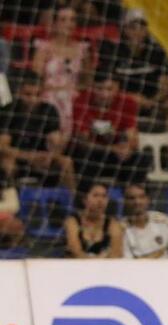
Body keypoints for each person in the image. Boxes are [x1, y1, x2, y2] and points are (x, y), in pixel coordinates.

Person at [97, 8, 168, 133]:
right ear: (125, 30)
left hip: (152, 101)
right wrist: (132, 98)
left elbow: (166, 85)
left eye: (142, 27)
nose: (138, 32)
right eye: (133, 27)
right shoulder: (114, 52)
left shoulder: (156, 52)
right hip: (122, 101)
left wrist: (152, 101)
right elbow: (108, 85)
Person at [0, 72, 76, 190]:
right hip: (18, 156)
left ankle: (72, 203)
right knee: (8, 164)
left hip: (41, 157)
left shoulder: (49, 110)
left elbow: (55, 141)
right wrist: (29, 157)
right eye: (28, 94)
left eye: (37, 94)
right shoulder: (9, 110)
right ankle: (12, 201)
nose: (32, 99)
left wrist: (50, 156)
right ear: (19, 92)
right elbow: (3, 147)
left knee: (66, 162)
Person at [70, 72, 147, 184]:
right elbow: (83, 142)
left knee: (140, 158)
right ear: (92, 86)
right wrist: (111, 143)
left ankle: (134, 194)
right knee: (86, 158)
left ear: (118, 88)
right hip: (91, 154)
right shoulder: (81, 100)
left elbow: (133, 138)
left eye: (110, 89)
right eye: (99, 89)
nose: (104, 94)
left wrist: (128, 146)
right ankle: (86, 197)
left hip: (116, 153)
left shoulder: (128, 102)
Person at [32, 5, 92, 138]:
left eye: (72, 20)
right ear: (54, 24)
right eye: (63, 20)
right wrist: (59, 90)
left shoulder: (83, 49)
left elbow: (88, 80)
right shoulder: (43, 48)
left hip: (73, 97)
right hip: (49, 96)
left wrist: (73, 89)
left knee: (75, 103)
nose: (69, 24)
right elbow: (35, 80)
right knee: (56, 100)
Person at [122, 183, 168, 258]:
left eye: (141, 197)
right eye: (131, 198)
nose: (137, 202)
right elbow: (127, 264)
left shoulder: (163, 219)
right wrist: (156, 254)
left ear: (148, 199)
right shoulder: (121, 229)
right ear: (124, 201)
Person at [64, 181, 124, 257]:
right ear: (84, 199)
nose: (100, 200)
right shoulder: (72, 222)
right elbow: (75, 252)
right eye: (95, 196)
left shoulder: (113, 225)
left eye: (104, 196)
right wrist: (96, 262)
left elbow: (116, 254)